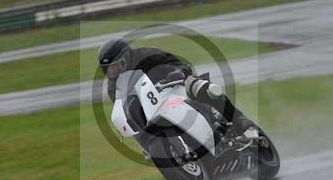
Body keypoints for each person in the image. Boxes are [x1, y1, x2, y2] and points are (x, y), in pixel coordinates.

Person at [97, 38, 253, 134]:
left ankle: (239, 120)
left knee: (200, 87)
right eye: (109, 69)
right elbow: (124, 110)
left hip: (174, 85)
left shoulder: (146, 54)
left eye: (117, 66)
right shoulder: (113, 87)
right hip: (153, 108)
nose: (114, 71)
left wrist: (178, 72)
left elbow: (179, 63)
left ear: (127, 56)